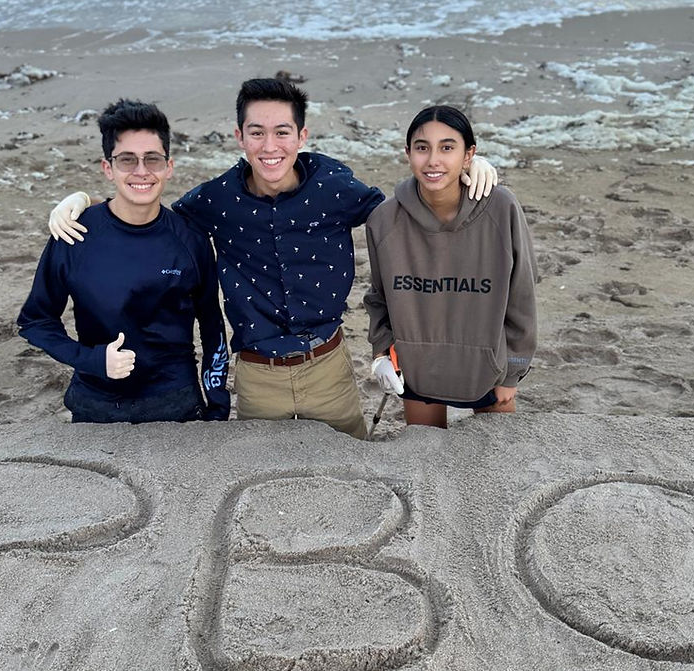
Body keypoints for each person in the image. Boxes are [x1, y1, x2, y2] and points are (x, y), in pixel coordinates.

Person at [47, 78, 499, 438]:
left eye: (282, 132)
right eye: (257, 133)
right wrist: (83, 200)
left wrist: (465, 171)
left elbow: (404, 211)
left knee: (356, 473)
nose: (270, 146)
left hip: (329, 367)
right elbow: (146, 206)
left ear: (301, 135)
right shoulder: (216, 200)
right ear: (239, 137)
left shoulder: (334, 188)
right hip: (257, 377)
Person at [18, 98, 230, 424]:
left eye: (153, 159)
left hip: (175, 403)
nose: (142, 171)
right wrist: (91, 359)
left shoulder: (190, 240)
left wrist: (217, 407)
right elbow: (35, 321)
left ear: (168, 167)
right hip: (95, 403)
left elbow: (213, 328)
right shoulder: (75, 232)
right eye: (127, 160)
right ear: (108, 168)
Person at [364, 105, 536, 429]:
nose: (433, 161)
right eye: (422, 148)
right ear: (407, 154)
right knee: (426, 465)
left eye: (447, 147)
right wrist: (380, 354)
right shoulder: (383, 220)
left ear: (468, 154)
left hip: (488, 371)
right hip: (418, 371)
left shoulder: (502, 207)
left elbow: (521, 295)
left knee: (498, 463)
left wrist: (513, 372)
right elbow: (379, 298)